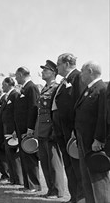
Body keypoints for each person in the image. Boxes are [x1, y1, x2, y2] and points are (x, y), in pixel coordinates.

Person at [74, 61, 110, 203]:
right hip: (84, 138)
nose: (80, 74)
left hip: (94, 142)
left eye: (82, 71)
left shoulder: (102, 89)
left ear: (89, 71)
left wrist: (99, 139)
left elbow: (103, 116)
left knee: (98, 179)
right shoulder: (90, 89)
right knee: (87, 179)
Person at [51, 53, 84, 203]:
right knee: (69, 163)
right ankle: (74, 196)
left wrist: (75, 129)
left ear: (66, 63)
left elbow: (79, 104)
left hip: (70, 129)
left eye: (58, 64)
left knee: (76, 164)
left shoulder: (77, 77)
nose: (57, 67)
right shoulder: (64, 81)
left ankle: (81, 197)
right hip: (61, 128)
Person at [36, 60, 64, 199]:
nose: (42, 72)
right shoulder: (44, 88)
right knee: (45, 162)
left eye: (45, 70)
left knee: (54, 162)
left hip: (50, 130)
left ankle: (58, 190)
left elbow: (55, 112)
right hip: (42, 129)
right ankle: (50, 189)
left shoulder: (56, 88)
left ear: (53, 72)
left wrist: (54, 130)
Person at [14, 67, 41, 192]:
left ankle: (33, 185)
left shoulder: (31, 88)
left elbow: (33, 108)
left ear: (20, 74)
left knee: (30, 157)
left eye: (16, 75)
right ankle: (27, 184)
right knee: (24, 157)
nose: (15, 78)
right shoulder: (25, 88)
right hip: (21, 129)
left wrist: (30, 128)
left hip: (27, 129)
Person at [0, 77, 23, 185]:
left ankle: (18, 179)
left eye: (3, 84)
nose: (2, 87)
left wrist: (15, 130)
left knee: (14, 156)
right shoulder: (8, 96)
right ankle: (13, 178)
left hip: (12, 130)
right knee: (9, 155)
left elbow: (16, 113)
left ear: (9, 84)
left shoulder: (14, 94)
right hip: (7, 129)